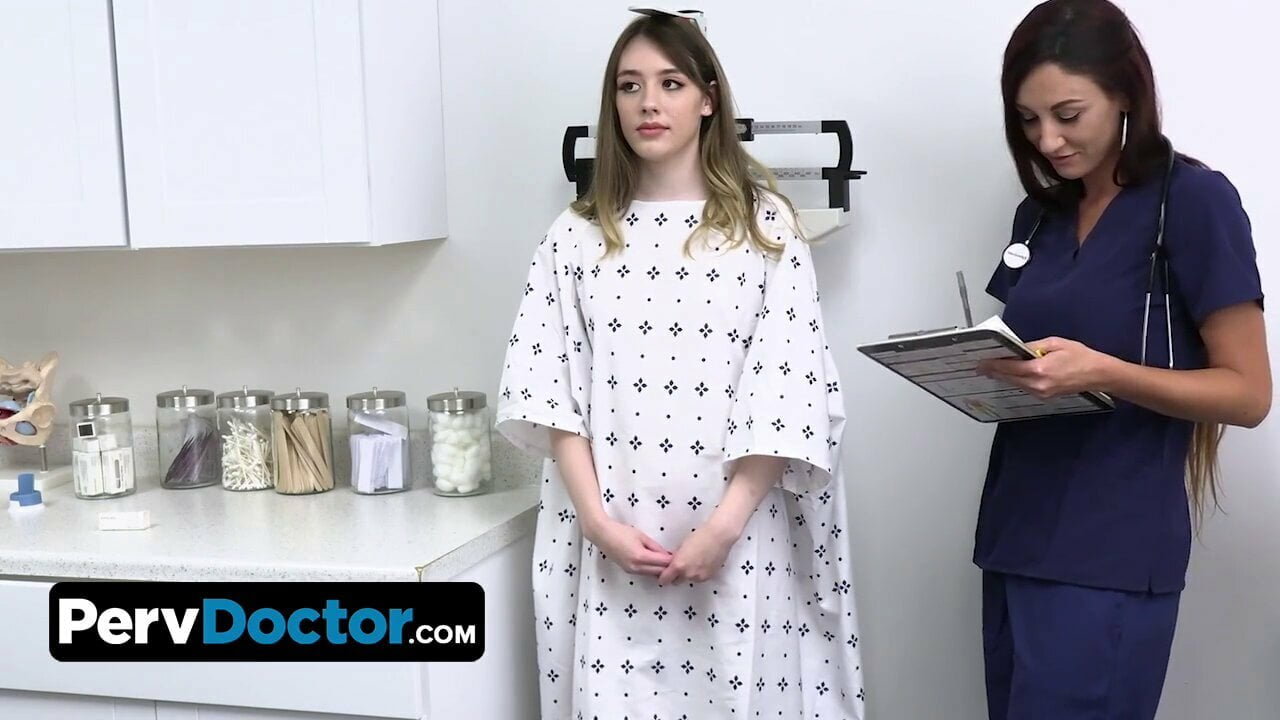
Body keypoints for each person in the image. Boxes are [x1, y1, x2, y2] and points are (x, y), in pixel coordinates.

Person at [495, 11, 864, 719]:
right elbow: (549, 393)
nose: (648, 103)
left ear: (708, 99)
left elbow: (789, 395)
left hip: (742, 540)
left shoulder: (765, 229)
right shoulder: (576, 236)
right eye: (629, 86)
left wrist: (721, 530)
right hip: (607, 541)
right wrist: (597, 522)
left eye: (670, 83)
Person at [974, 1, 1271, 718]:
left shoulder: (1194, 202)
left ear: (1125, 95)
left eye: (1068, 115)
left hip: (1110, 549)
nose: (1047, 140)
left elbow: (1249, 394)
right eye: (1028, 120)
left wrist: (1103, 371)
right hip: (1013, 536)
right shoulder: (1039, 217)